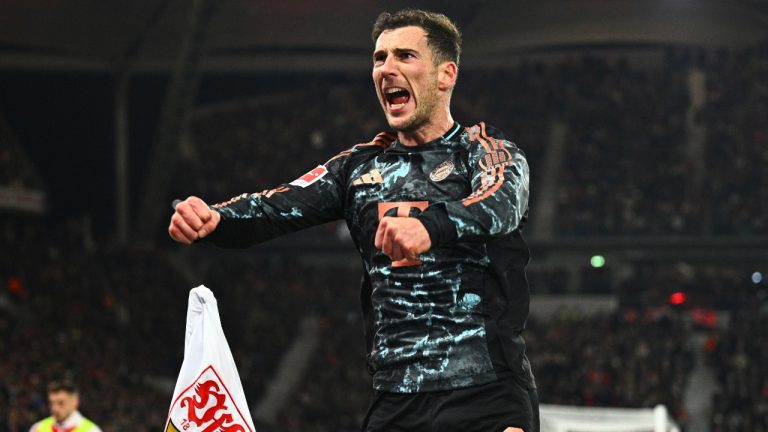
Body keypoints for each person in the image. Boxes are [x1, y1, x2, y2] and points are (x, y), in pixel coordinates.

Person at [169, 8, 538, 432]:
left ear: (445, 74)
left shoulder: (484, 150)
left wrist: (429, 226)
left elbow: (503, 201)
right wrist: (217, 218)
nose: (387, 69)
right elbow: (277, 206)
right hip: (395, 396)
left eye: (404, 56)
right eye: (379, 58)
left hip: (487, 389)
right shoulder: (358, 168)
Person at [29, 381, 102, 432]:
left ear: (75, 402)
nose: (55, 408)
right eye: (51, 403)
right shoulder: (38, 429)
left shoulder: (91, 430)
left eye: (61, 403)